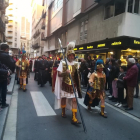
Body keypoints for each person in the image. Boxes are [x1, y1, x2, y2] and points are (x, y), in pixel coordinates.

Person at [54, 42, 82, 124]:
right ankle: (63, 112)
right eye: (70, 55)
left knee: (74, 100)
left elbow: (77, 76)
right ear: (68, 56)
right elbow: (59, 74)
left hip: (74, 86)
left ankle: (74, 117)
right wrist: (65, 72)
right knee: (64, 98)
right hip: (65, 85)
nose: (71, 57)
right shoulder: (63, 63)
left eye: (73, 55)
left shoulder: (76, 64)